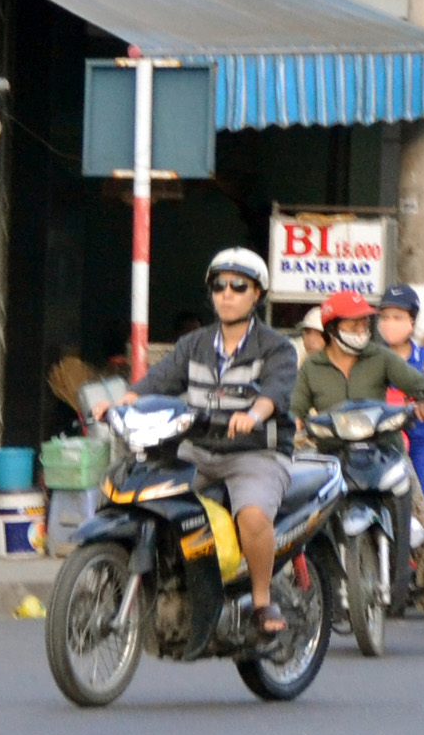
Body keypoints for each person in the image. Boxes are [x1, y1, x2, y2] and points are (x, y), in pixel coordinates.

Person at [291, 290, 424, 648]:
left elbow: (420, 385)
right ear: (333, 328)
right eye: (353, 323)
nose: (363, 328)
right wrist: (294, 425)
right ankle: (297, 598)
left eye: (365, 322)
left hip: (385, 451)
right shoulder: (312, 368)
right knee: (297, 520)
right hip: (332, 456)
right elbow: (295, 410)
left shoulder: (379, 357)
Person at [127, 248, 299, 633]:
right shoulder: (194, 344)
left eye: (239, 286)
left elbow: (275, 392)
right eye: (219, 286)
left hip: (256, 452)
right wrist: (121, 403)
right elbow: (158, 380)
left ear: (257, 294)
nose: (227, 293)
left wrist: (252, 414)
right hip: (197, 451)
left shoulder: (277, 347)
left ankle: (261, 601)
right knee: (149, 495)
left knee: (252, 514)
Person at [375, 283, 424, 521]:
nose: (389, 323)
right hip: (381, 442)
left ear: (412, 322)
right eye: (385, 317)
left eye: (397, 317)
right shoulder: (371, 358)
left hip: (421, 442)